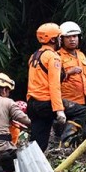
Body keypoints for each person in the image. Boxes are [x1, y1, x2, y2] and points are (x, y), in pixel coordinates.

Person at [57, 21, 86, 147]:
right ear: (61, 39)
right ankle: (63, 148)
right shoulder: (57, 56)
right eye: (68, 37)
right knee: (67, 131)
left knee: (84, 132)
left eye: (74, 36)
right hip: (65, 101)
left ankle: (82, 156)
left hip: (80, 101)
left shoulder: (81, 56)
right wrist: (69, 72)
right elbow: (52, 80)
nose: (72, 40)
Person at [26, 22, 66, 152]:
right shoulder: (53, 57)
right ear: (53, 39)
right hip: (44, 104)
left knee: (35, 139)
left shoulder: (34, 56)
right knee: (79, 111)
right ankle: (65, 141)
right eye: (60, 37)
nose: (61, 40)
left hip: (32, 103)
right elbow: (54, 85)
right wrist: (59, 110)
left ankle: (29, 166)